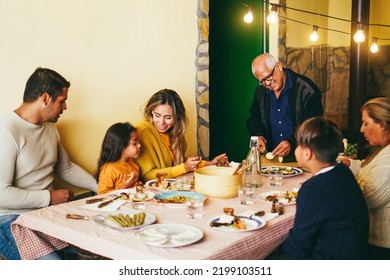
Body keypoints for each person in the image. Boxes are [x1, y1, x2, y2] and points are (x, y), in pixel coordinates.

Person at [0, 67, 97, 260]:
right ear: (45, 98)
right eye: (62, 101)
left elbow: (66, 168)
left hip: (49, 214)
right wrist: (49, 198)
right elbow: (1, 193)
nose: (65, 107)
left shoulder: (51, 129)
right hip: (10, 220)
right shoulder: (6, 131)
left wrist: (101, 186)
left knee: (99, 246)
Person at [272, 117, 369, 259]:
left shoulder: (312, 189)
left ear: (307, 153)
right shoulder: (342, 171)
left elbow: (297, 248)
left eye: (298, 145)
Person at [134, 88, 227, 182]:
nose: (161, 122)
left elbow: (175, 161)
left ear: (177, 117)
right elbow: (147, 176)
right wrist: (185, 167)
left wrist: (208, 164)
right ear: (151, 112)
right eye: (157, 115)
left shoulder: (174, 130)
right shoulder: (143, 132)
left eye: (168, 117)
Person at [247, 53, 323, 159]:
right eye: (262, 81)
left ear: (278, 66)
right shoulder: (261, 91)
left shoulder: (308, 90)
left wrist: (291, 143)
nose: (267, 84)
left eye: (268, 77)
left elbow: (314, 128)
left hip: (304, 158)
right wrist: (258, 135)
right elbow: (254, 118)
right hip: (273, 159)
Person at [340, 97, 390, 260]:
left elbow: (368, 198)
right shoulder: (383, 149)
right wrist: (349, 164)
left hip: (382, 247)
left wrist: (335, 182)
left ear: (382, 124)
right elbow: (368, 168)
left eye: (366, 123)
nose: (362, 129)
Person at [95, 122, 141, 194]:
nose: (139, 145)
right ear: (121, 147)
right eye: (134, 143)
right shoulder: (109, 170)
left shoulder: (132, 163)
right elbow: (101, 195)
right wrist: (123, 188)